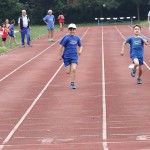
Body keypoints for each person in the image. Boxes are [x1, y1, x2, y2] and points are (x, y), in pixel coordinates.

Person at [58, 23, 82, 89]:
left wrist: (80, 51)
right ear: (68, 30)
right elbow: (61, 46)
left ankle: (72, 83)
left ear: (75, 30)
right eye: (71, 29)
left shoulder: (77, 38)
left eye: (73, 29)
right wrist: (59, 55)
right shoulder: (66, 38)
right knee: (68, 72)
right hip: (66, 56)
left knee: (73, 69)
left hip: (74, 56)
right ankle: (68, 65)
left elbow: (80, 45)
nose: (72, 31)